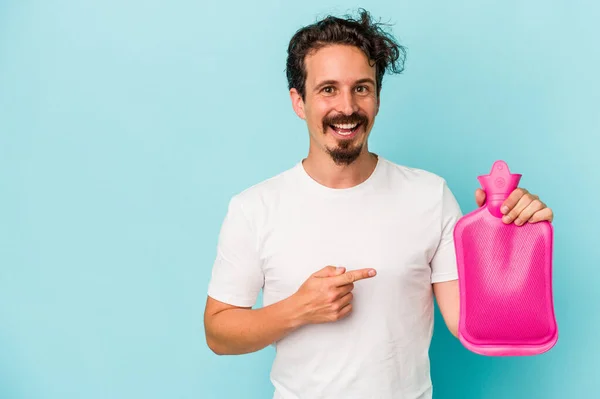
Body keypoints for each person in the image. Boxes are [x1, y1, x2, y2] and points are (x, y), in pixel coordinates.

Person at [203, 8, 554, 399]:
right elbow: (218, 332)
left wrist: (507, 238)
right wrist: (298, 309)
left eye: (362, 88)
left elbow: (475, 325)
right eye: (328, 89)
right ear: (298, 101)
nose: (348, 107)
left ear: (378, 97)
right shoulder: (254, 208)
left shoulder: (429, 196)